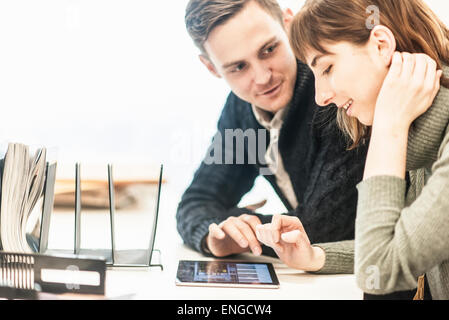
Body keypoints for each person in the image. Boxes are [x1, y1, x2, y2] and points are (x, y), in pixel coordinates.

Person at [256, 0, 449, 299]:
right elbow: (398, 246)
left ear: (381, 45)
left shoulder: (414, 135)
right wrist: (315, 256)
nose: (320, 97)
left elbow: (380, 273)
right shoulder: (425, 144)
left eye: (327, 67)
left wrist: (389, 125)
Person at [176, 0, 368, 265]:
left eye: (268, 50)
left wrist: (243, 227)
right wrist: (216, 237)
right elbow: (198, 200)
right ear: (212, 68)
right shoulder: (242, 109)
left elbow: (321, 229)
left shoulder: (333, 94)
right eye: (239, 67)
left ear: (288, 25)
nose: (263, 77)